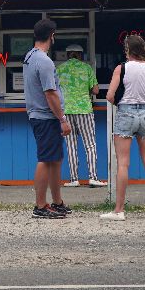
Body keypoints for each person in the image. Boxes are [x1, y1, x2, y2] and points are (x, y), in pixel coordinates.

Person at [101, 35, 145, 221]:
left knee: (123, 163)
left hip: (125, 114)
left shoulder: (122, 68)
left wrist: (121, 101)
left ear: (128, 49)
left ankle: (119, 210)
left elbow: (110, 96)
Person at [23, 19, 72, 218]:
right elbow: (50, 92)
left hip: (40, 115)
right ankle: (40, 206)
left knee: (55, 159)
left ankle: (57, 201)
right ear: (52, 35)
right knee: (45, 159)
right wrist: (62, 119)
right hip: (46, 117)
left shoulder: (30, 56)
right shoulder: (44, 60)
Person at [56, 44, 106, 188]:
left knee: (71, 146)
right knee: (90, 144)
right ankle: (93, 178)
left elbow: (54, 90)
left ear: (67, 55)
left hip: (66, 111)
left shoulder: (60, 69)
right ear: (81, 55)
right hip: (84, 110)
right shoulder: (87, 68)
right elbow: (96, 90)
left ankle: (74, 179)